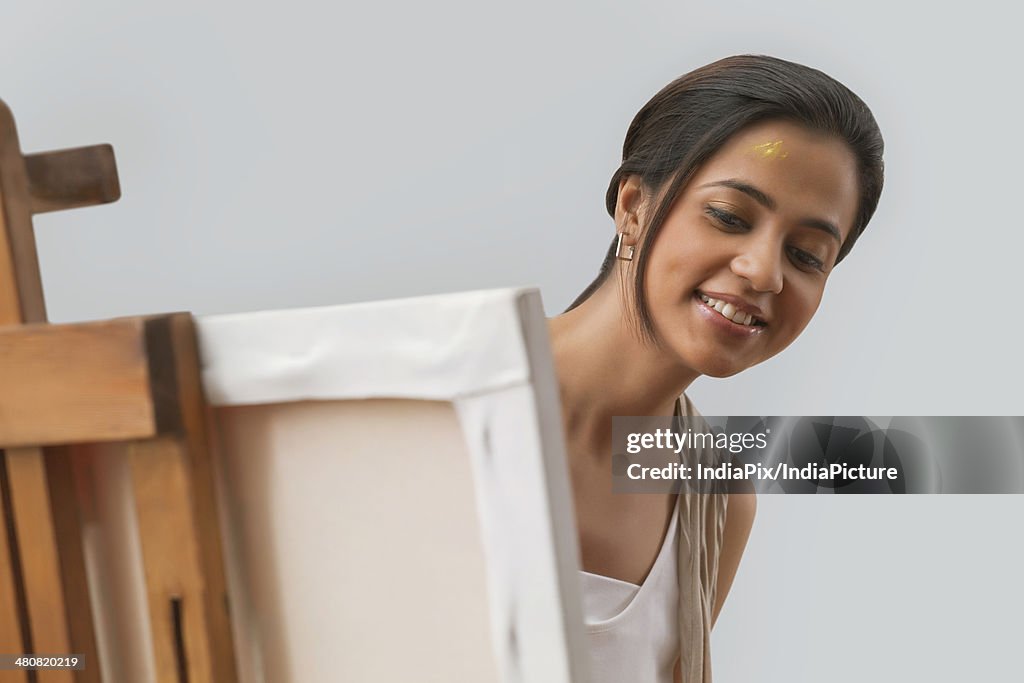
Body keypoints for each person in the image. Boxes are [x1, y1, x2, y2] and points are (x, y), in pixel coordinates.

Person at [545, 54, 884, 682]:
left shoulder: (717, 499)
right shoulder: (433, 394)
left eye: (808, 254)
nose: (763, 271)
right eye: (729, 217)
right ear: (634, 207)